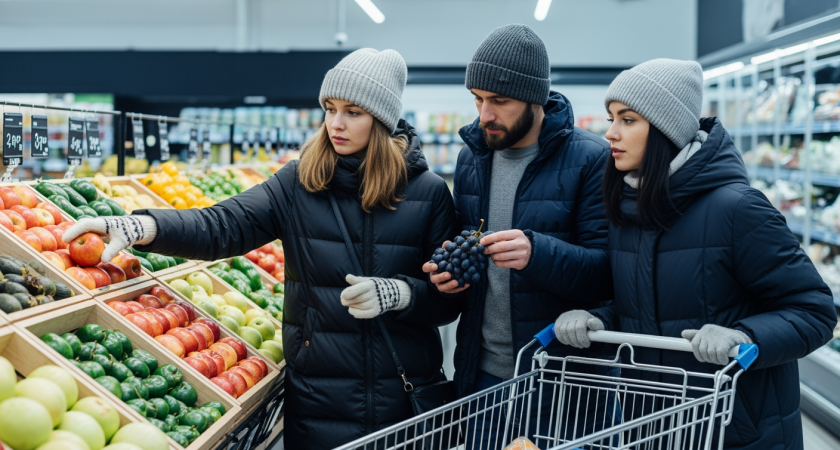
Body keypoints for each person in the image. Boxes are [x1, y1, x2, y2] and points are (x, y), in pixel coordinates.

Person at [64, 48, 463, 450]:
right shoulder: (300, 182)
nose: (335, 124)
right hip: (318, 400)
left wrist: (402, 293)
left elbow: (449, 302)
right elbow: (220, 225)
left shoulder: (428, 194)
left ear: (381, 119)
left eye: (353, 113)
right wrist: (141, 225)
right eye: (329, 108)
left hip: (404, 403)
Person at [554, 58, 837, 450]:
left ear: (665, 128)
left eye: (628, 120)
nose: (611, 134)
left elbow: (815, 310)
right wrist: (595, 321)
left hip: (735, 431)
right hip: (653, 426)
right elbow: (645, 312)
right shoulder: (627, 210)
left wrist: (743, 335)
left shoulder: (737, 209)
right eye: (611, 119)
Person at [423, 24, 617, 448]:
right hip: (482, 377)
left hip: (562, 381)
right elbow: (472, 252)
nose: (485, 115)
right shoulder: (472, 159)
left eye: (499, 101)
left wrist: (537, 253)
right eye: (477, 100)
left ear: (535, 98)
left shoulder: (592, 159)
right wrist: (451, 273)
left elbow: (608, 273)